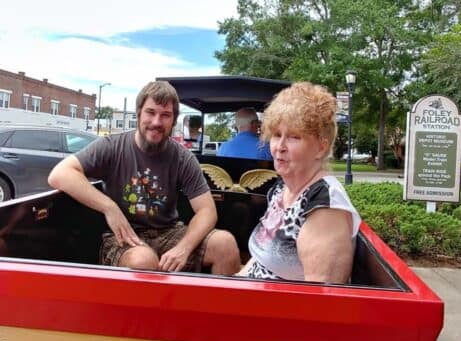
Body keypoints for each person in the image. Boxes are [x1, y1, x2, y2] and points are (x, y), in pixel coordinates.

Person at [48, 81, 240, 275]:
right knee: (143, 261)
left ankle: (204, 306)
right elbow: (60, 174)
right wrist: (109, 207)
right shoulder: (111, 146)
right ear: (139, 113)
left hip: (170, 233)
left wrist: (184, 248)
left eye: (165, 115)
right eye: (151, 112)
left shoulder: (183, 158)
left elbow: (207, 211)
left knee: (225, 245)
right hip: (124, 236)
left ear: (173, 121)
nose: (157, 122)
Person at [237, 82, 361, 283]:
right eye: (277, 135)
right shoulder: (282, 188)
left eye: (294, 137)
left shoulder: (323, 207)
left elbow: (319, 298)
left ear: (321, 148)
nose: (280, 147)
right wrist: (233, 282)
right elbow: (260, 261)